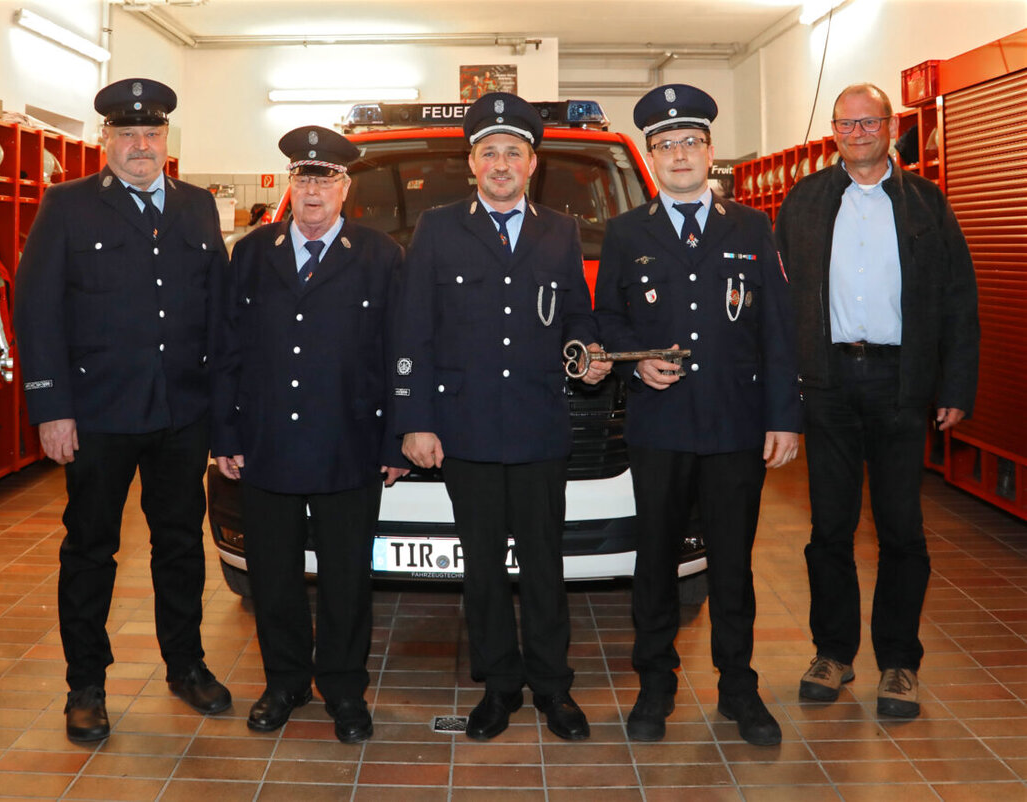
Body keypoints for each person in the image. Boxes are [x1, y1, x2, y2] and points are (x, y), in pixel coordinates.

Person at [13, 78, 231, 743]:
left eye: (152, 135)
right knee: (90, 549)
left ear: (167, 140)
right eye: (127, 135)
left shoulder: (197, 207)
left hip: (181, 413)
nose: (141, 146)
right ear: (105, 140)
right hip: (100, 414)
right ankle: (86, 683)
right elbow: (37, 310)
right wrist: (52, 408)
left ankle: (185, 665)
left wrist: (222, 413)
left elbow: (218, 315)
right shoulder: (67, 205)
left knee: (179, 547)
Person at [392, 92, 610, 742]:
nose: (501, 162)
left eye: (513, 151)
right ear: (471, 164)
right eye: (489, 152)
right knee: (482, 567)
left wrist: (590, 351)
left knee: (544, 564)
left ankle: (552, 689)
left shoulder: (560, 231)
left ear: (533, 162)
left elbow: (575, 313)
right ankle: (499, 687)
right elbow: (414, 332)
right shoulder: (436, 227)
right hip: (467, 428)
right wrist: (417, 420)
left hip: (540, 427)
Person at [594, 84, 801, 746]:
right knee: (654, 562)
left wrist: (785, 416)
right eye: (664, 145)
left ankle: (739, 689)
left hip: (735, 426)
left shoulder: (752, 227)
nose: (678, 154)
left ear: (710, 151)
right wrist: (630, 365)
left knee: (733, 566)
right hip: (659, 428)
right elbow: (608, 320)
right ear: (650, 158)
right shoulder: (628, 233)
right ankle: (655, 687)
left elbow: (777, 326)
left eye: (689, 142)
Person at [775, 83, 979, 718]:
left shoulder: (925, 201)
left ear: (891, 127)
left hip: (900, 384)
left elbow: (957, 299)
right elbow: (780, 306)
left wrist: (953, 386)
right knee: (829, 529)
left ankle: (899, 663)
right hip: (828, 383)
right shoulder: (805, 200)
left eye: (869, 122)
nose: (857, 132)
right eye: (846, 123)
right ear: (833, 132)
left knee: (901, 530)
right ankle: (833, 654)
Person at [210, 126, 407, 743]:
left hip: (348, 446)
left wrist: (393, 440)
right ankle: (285, 682)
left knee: (348, 578)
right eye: (304, 177)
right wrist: (225, 434)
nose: (314, 189)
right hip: (267, 443)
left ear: (347, 187)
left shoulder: (379, 255)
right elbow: (227, 349)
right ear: (288, 186)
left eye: (327, 178)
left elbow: (399, 353)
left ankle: (345, 691)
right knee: (273, 577)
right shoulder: (252, 251)